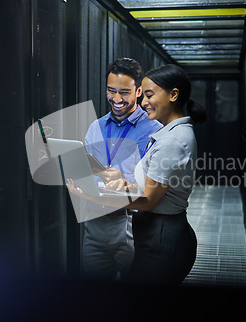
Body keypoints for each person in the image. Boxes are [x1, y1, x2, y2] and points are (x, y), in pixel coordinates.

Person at [68, 64, 206, 285]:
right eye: (111, 90)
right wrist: (123, 182)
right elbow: (149, 186)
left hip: (159, 231)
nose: (144, 103)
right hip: (155, 230)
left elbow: (149, 200)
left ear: (173, 95)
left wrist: (90, 196)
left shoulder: (171, 140)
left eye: (149, 95)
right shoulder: (171, 134)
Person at [82, 58, 162, 281]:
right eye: (111, 91)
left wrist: (123, 180)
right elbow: (87, 170)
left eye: (124, 92)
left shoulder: (154, 130)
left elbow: (154, 184)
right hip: (95, 221)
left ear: (138, 92)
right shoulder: (95, 127)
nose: (116, 99)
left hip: (132, 223)